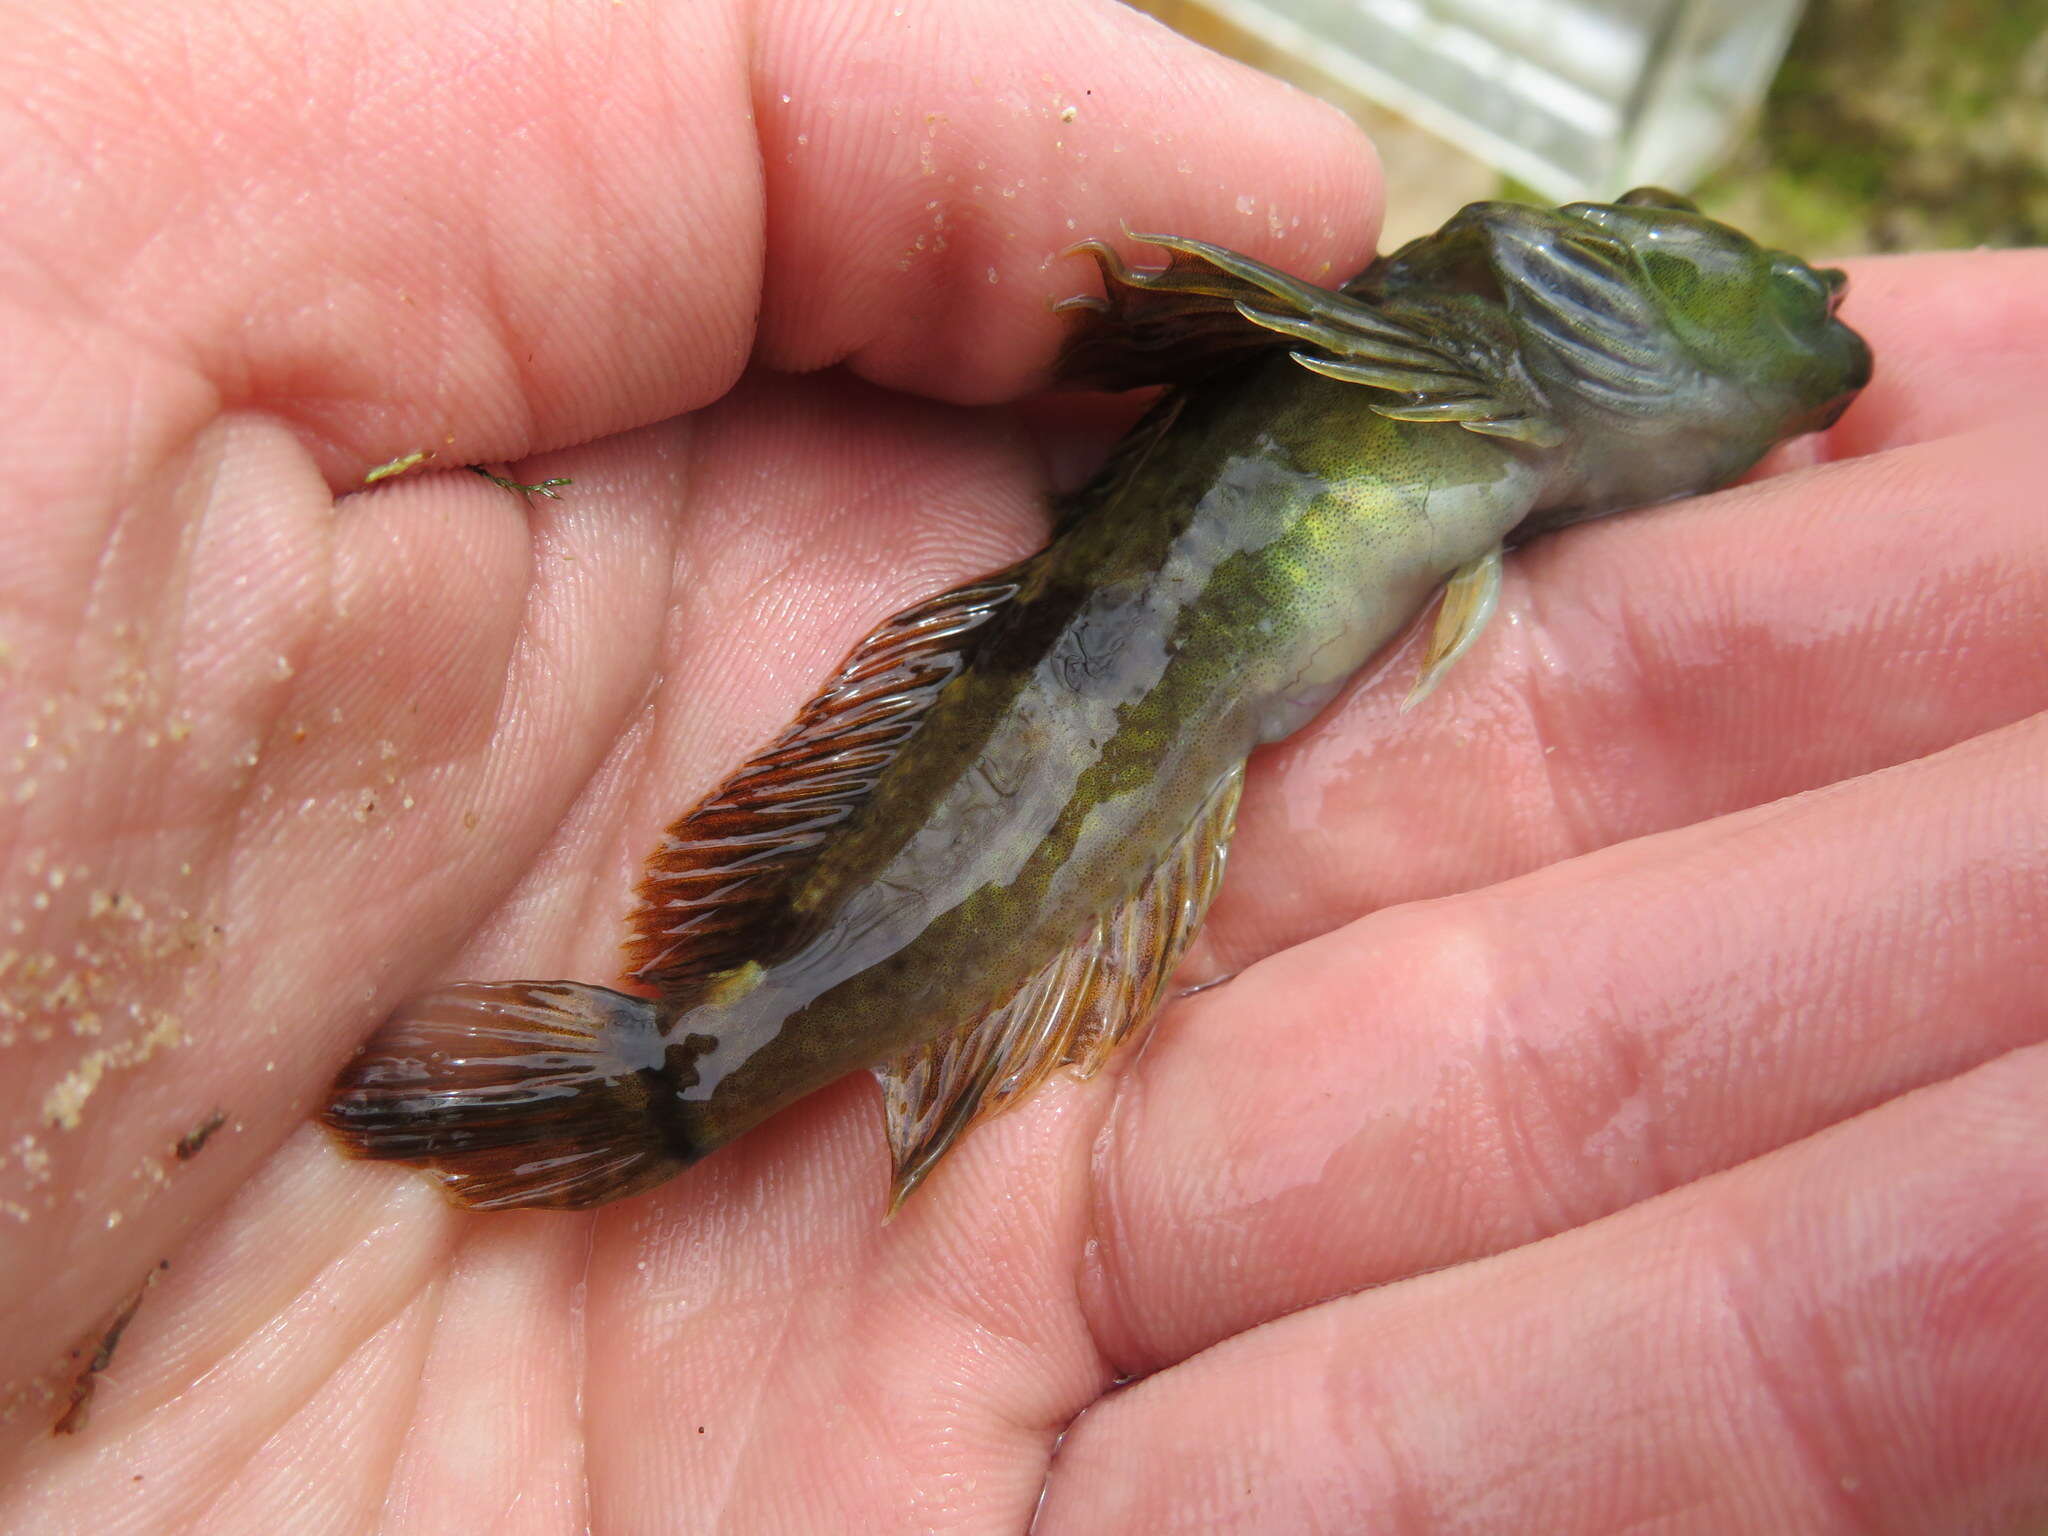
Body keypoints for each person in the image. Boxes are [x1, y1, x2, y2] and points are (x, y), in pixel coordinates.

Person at [0, 0, 2042, 1528]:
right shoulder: (1457, 326)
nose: (1785, 286)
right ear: (1552, 274)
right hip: (1075, 702)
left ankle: (694, 1057)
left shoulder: (1473, 384)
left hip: (1119, 692)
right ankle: (680, 1064)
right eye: (1698, 241)